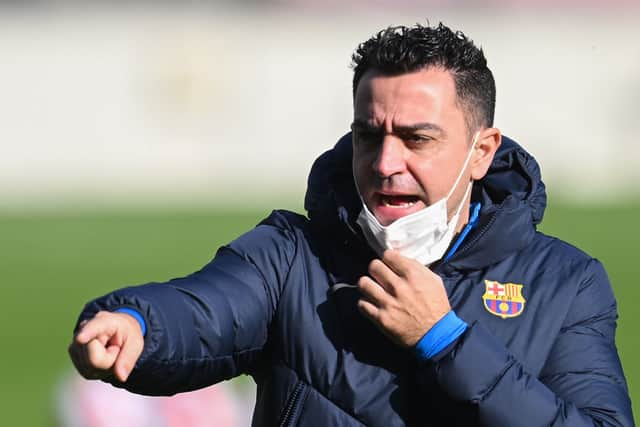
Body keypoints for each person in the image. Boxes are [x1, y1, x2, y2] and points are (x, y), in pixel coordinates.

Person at [68, 23, 634, 426]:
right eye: (369, 135)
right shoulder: (291, 255)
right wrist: (139, 324)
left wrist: (444, 339)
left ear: (482, 152)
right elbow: (204, 310)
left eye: (418, 138)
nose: (386, 164)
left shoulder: (565, 282)